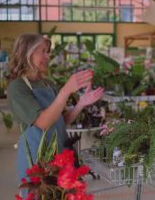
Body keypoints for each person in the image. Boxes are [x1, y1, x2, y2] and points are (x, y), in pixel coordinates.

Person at [7, 34, 104, 194]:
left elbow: (60, 120)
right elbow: (43, 122)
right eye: (42, 51)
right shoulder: (17, 88)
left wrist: (81, 103)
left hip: (59, 154)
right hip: (36, 159)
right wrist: (66, 90)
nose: (48, 56)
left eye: (48, 51)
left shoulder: (48, 83)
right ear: (27, 53)